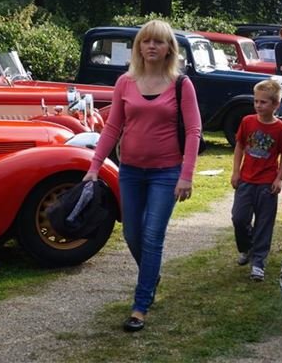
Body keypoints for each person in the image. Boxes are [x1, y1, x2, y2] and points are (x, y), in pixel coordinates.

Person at [83, 20, 201, 332]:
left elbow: (193, 131)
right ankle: (152, 274)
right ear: (138, 47)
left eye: (158, 42)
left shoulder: (181, 84)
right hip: (131, 171)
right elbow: (112, 127)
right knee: (132, 234)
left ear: (168, 49)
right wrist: (94, 165)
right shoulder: (125, 82)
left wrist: (186, 175)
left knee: (151, 236)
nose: (151, 46)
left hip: (167, 172)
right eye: (146, 41)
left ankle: (141, 304)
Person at [230, 79, 282, 281]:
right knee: (239, 218)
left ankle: (258, 262)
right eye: (256, 101)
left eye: (263, 102)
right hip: (246, 180)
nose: (258, 105)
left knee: (264, 223)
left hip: (266, 184)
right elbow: (239, 146)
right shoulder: (247, 122)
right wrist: (235, 171)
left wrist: (279, 179)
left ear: (275, 104)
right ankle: (246, 247)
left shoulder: (280, 129)